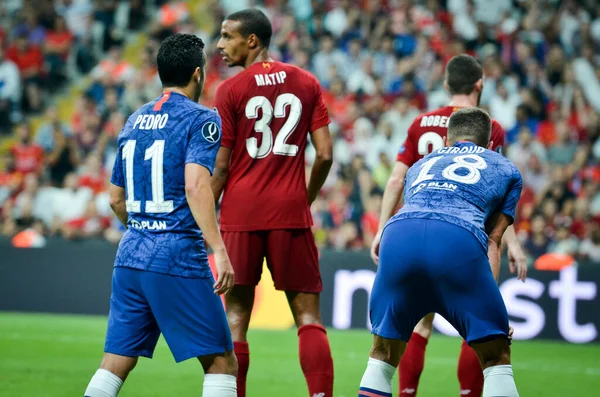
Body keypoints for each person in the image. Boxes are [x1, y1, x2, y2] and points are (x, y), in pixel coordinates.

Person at [83, 34, 237, 397]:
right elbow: (197, 187)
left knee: (116, 359)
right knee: (221, 361)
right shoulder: (202, 119)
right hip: (177, 255)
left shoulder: (134, 119)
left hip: (131, 253)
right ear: (198, 74)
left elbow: (116, 198)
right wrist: (219, 249)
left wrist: (143, 230)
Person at [370, 54, 527, 397]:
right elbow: (494, 214)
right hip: (461, 238)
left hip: (404, 227)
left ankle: (407, 392)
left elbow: (398, 179)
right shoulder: (491, 129)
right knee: (486, 337)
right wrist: (508, 254)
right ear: (479, 85)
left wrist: (382, 228)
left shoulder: (420, 125)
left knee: (394, 344)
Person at [212, 9, 334, 397]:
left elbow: (221, 166)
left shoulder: (229, 91)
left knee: (235, 317)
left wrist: (199, 215)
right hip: (289, 212)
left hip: (240, 214)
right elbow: (326, 155)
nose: (219, 44)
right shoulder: (306, 82)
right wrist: (307, 195)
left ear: (252, 41)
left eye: (227, 36)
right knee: (308, 317)